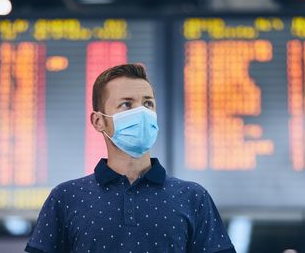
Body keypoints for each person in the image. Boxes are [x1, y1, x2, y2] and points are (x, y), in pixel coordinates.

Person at [25, 63, 236, 253]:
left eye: (148, 104)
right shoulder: (66, 197)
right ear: (98, 121)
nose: (142, 113)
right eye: (127, 104)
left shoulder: (193, 197)